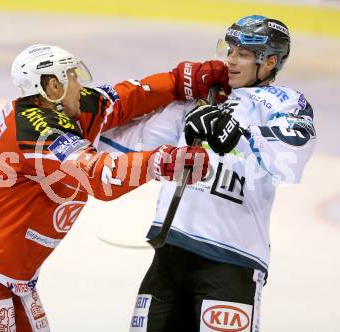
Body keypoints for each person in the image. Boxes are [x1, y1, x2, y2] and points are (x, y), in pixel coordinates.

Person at [0, 44, 226, 331]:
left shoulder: (61, 109)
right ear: (52, 85)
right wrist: (161, 162)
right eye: (72, 76)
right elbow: (99, 177)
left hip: (11, 272)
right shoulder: (38, 131)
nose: (80, 85)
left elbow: (122, 98)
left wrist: (178, 82)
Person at [98, 15, 316, 331]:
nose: (230, 60)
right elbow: (129, 141)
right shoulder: (201, 95)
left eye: (243, 54)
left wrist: (237, 133)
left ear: (269, 62)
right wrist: (171, 85)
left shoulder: (283, 101)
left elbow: (292, 153)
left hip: (232, 260)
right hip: (170, 254)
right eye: (230, 50)